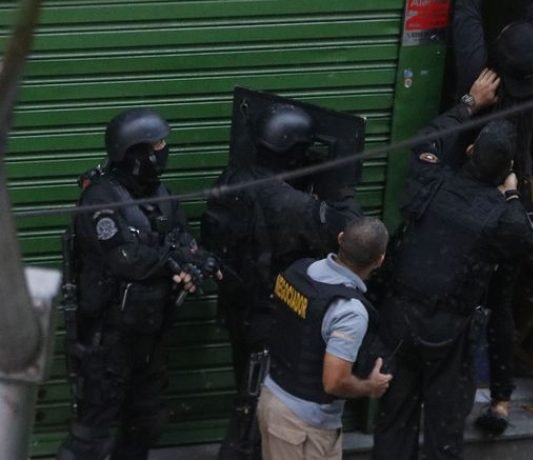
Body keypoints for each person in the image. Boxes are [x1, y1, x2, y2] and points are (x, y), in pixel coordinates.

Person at [372, 86, 533, 459]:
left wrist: (469, 104)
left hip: (399, 319)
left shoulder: (431, 180)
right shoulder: (500, 216)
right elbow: (525, 237)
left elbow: (427, 139)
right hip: (449, 333)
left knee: (395, 421)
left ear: (468, 151)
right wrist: (510, 193)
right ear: (505, 174)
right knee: (443, 431)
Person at [203, 104, 363, 460]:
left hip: (238, 309)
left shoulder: (232, 178)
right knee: (254, 409)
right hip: (272, 318)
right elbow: (351, 234)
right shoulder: (289, 205)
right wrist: (339, 190)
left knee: (248, 400)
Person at [57, 109, 217, 460]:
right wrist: (170, 262)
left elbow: (183, 242)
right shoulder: (100, 200)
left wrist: (198, 263)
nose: (163, 150)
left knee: (146, 421)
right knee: (92, 432)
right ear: (135, 153)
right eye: (157, 144)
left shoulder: (161, 196)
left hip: (151, 334)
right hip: (108, 337)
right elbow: (124, 258)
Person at [453, 0, 533, 430]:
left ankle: (451, 394)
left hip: (476, 202)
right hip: (515, 197)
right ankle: (502, 400)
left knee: (461, 296)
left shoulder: (482, 81)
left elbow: (466, 10)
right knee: (502, 301)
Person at [256, 217, 393, 460]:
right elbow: (334, 382)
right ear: (380, 260)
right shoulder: (350, 312)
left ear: (340, 238)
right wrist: (370, 387)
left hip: (275, 399)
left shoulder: (300, 270)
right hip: (302, 427)